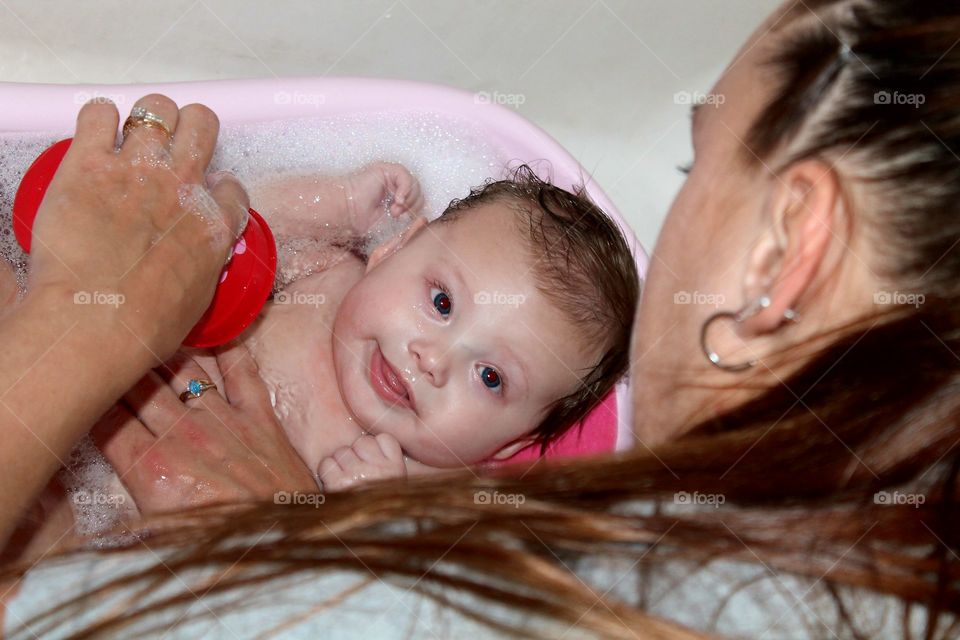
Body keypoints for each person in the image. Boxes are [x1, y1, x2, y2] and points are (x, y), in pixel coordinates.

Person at [3, 0, 960, 636]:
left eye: (491, 379)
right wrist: (333, 206)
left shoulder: (417, 503)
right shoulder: (332, 282)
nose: (428, 359)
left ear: (784, 251)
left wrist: (334, 523)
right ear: (397, 248)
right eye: (441, 299)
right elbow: (243, 230)